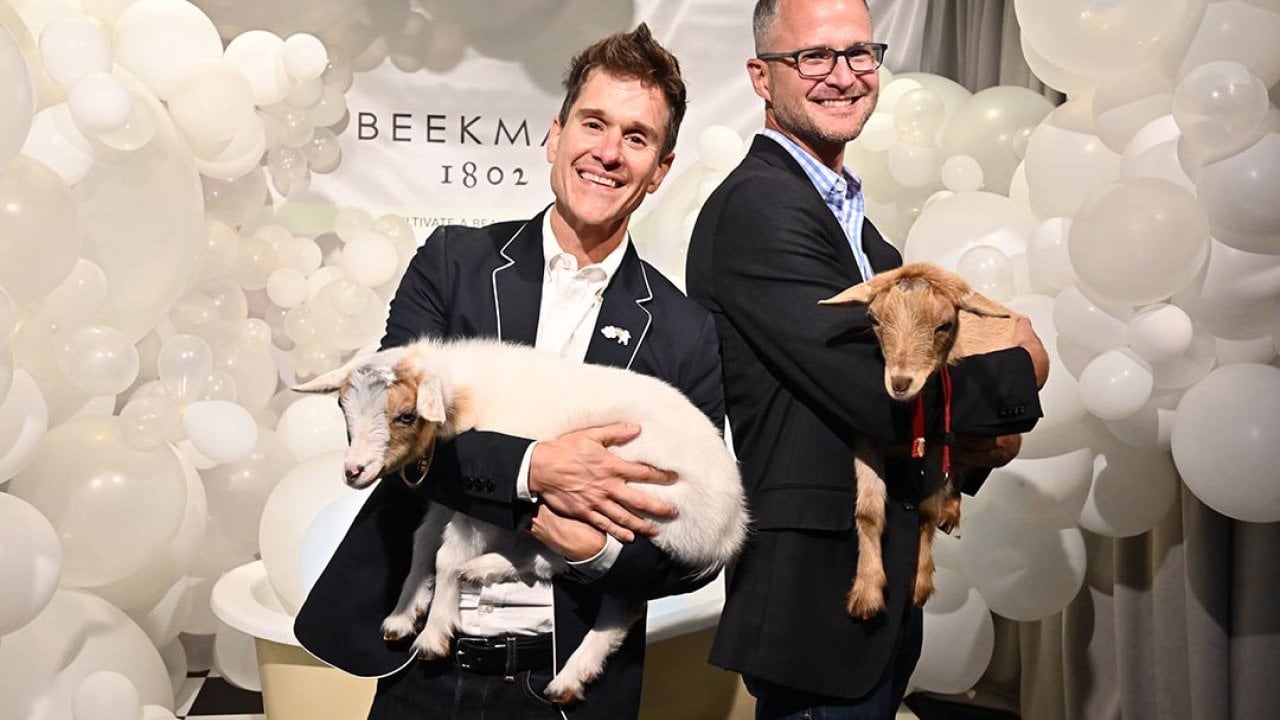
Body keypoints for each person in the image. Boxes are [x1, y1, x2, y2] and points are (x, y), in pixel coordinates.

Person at [295, 24, 724, 720]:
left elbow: (697, 536)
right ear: (555, 135)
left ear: (660, 170)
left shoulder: (686, 333)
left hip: (565, 680)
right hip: (425, 664)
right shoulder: (452, 264)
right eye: (593, 123)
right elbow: (388, 424)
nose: (608, 152)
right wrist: (535, 469)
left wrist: (595, 552)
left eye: (636, 137)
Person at [685, 1, 1050, 718]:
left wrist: (973, 446)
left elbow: (916, 391)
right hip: (817, 604)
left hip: (877, 592)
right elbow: (877, 396)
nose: (844, 75)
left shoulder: (858, 230)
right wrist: (1025, 366)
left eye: (859, 53)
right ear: (761, 77)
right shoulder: (761, 208)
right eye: (814, 56)